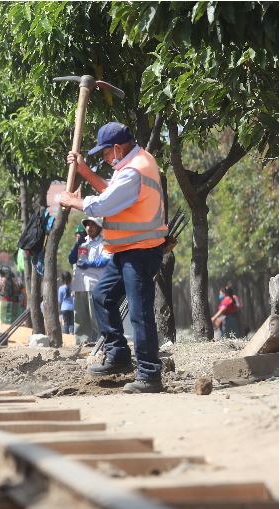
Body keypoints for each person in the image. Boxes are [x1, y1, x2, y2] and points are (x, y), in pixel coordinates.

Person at [59, 122, 168, 394]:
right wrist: (84, 171)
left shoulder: (134, 171)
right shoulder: (132, 165)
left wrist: (74, 201)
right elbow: (111, 191)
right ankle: (118, 355)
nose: (105, 158)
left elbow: (106, 203)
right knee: (103, 295)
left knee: (140, 313)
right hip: (127, 251)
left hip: (141, 251)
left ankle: (149, 374)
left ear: (118, 148)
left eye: (106, 153)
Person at [68, 217, 113, 344]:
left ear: (99, 227)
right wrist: (77, 244)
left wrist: (90, 263)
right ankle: (82, 344)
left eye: (92, 225)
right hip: (79, 285)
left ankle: (103, 343)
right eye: (87, 225)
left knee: (96, 318)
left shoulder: (104, 242)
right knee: (80, 319)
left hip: (95, 285)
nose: (89, 228)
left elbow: (106, 260)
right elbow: (72, 259)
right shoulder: (82, 242)